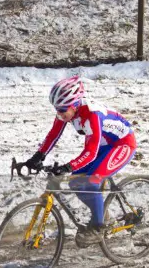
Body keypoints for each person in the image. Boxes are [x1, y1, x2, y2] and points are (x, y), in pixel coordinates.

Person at [25, 75, 137, 248]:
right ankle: (102, 215)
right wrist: (38, 156)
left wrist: (68, 166)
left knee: (92, 181)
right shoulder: (66, 112)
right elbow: (54, 134)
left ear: (75, 104)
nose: (59, 114)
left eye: (62, 109)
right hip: (101, 145)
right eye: (56, 109)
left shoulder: (92, 115)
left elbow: (90, 153)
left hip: (121, 144)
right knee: (76, 182)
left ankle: (98, 228)